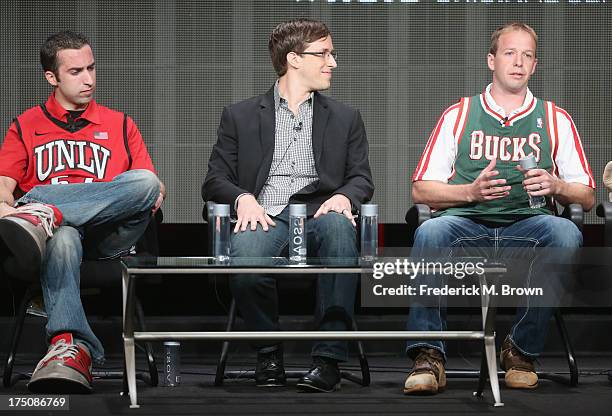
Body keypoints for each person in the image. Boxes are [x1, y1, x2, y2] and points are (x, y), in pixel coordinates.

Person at [405, 22, 594, 395]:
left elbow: (587, 196)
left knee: (566, 231)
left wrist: (557, 185)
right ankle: (429, 356)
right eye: (509, 53)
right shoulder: (458, 114)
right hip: (467, 224)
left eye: (527, 56)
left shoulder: (555, 118)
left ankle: (520, 350)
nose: (518, 62)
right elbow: (420, 190)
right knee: (429, 230)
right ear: (491, 60)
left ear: (535, 66)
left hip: (528, 225)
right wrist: (470, 193)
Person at [202, 18, 373, 393]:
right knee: (245, 258)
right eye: (324, 54)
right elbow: (215, 180)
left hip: (320, 212)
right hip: (266, 214)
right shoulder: (240, 115)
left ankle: (327, 359)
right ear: (293, 59)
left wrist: (344, 196)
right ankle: (268, 351)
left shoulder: (346, 118)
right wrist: (243, 198)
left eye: (332, 53)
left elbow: (361, 178)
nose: (333, 62)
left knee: (341, 232)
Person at [0, 31, 165, 393]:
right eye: (75, 71)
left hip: (109, 240)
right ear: (52, 77)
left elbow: (152, 192)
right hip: (51, 245)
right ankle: (68, 348)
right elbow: (3, 185)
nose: (89, 79)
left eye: (91, 68)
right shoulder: (25, 125)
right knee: (64, 236)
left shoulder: (120, 124)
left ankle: (42, 211)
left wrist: (38, 206)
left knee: (146, 183)